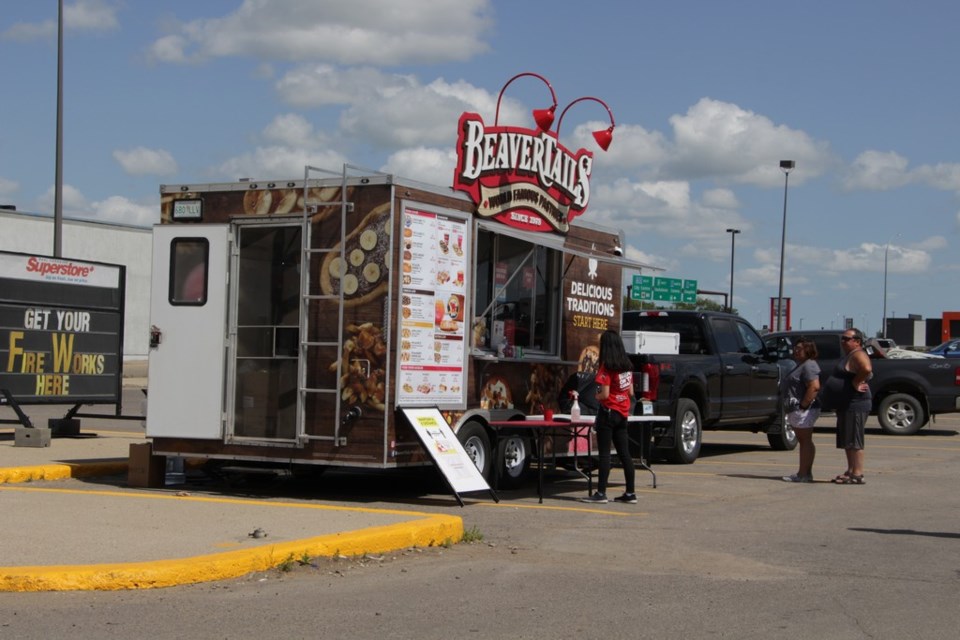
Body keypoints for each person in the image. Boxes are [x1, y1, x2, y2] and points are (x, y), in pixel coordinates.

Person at [581, 330, 637, 504]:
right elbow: (631, 392)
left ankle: (601, 493)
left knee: (604, 454)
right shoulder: (627, 365)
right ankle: (630, 493)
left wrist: (596, 395)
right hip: (623, 413)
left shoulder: (607, 367)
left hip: (608, 413)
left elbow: (604, 394)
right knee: (625, 454)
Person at [820, 328, 872, 484]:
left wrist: (856, 382)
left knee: (855, 439)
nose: (843, 341)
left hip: (856, 403)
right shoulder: (850, 355)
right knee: (848, 439)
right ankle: (850, 470)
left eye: (846, 339)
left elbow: (867, 369)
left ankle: (857, 473)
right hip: (846, 404)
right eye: (842, 339)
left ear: (857, 341)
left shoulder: (859, 354)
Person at [780, 338, 821, 483]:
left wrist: (803, 405)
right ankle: (804, 473)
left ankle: (804, 474)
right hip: (796, 409)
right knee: (804, 440)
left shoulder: (809, 365)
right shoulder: (801, 365)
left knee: (805, 441)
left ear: (808, 349)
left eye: (800, 349)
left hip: (804, 410)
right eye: (795, 348)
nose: (796, 351)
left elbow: (814, 386)